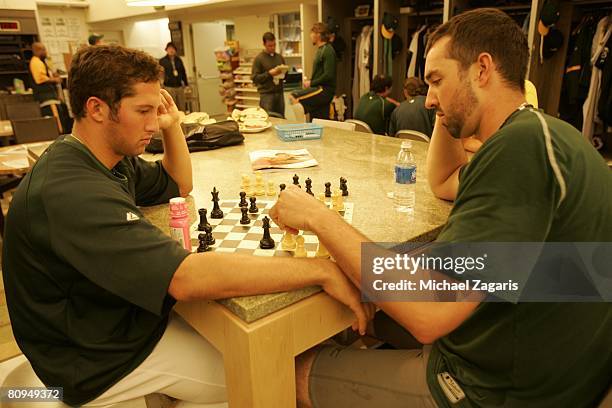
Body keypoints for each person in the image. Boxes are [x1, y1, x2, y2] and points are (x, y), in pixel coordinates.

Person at [269, 8, 612, 408]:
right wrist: (448, 111)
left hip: (505, 388)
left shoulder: (520, 150)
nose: (427, 98)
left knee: (284, 367)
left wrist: (317, 216)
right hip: (536, 352)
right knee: (364, 311)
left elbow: (428, 313)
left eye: (436, 81)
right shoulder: (543, 134)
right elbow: (443, 181)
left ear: (482, 69)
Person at [2, 45, 372, 407]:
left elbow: (178, 183)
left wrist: (172, 126)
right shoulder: (72, 190)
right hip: (92, 361)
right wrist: (319, 270)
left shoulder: (106, 158)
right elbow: (187, 277)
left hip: (111, 324)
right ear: (97, 108)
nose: (153, 121)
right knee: (260, 372)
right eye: (143, 110)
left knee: (244, 350)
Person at [290, 23, 337, 120]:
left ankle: (300, 126)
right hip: (318, 88)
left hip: (324, 90)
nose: (310, 36)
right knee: (318, 120)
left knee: (294, 96)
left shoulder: (328, 50)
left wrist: (312, 82)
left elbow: (329, 75)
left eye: (312, 33)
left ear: (318, 34)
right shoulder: (321, 50)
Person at [29, 42, 72, 134]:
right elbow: (40, 79)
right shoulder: (36, 62)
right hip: (47, 99)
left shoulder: (42, 62)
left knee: (61, 122)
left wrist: (53, 74)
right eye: (43, 49)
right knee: (57, 127)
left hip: (52, 98)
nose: (45, 52)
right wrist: (55, 80)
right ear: (37, 51)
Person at [251, 32, 286, 117]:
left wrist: (284, 71)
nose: (273, 48)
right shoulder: (259, 59)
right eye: (270, 46)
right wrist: (269, 74)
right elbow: (255, 78)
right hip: (266, 95)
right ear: (264, 44)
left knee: (281, 118)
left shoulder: (279, 57)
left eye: (274, 45)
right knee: (268, 118)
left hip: (279, 93)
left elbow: (286, 76)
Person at [159, 42, 189, 112]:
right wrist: (160, 85)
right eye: (169, 49)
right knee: (171, 107)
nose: (171, 50)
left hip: (179, 86)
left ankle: (182, 121)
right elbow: (160, 74)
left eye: (173, 49)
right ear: (166, 50)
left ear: (175, 50)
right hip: (169, 87)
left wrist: (186, 84)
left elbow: (183, 72)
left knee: (182, 106)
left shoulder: (179, 60)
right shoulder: (162, 61)